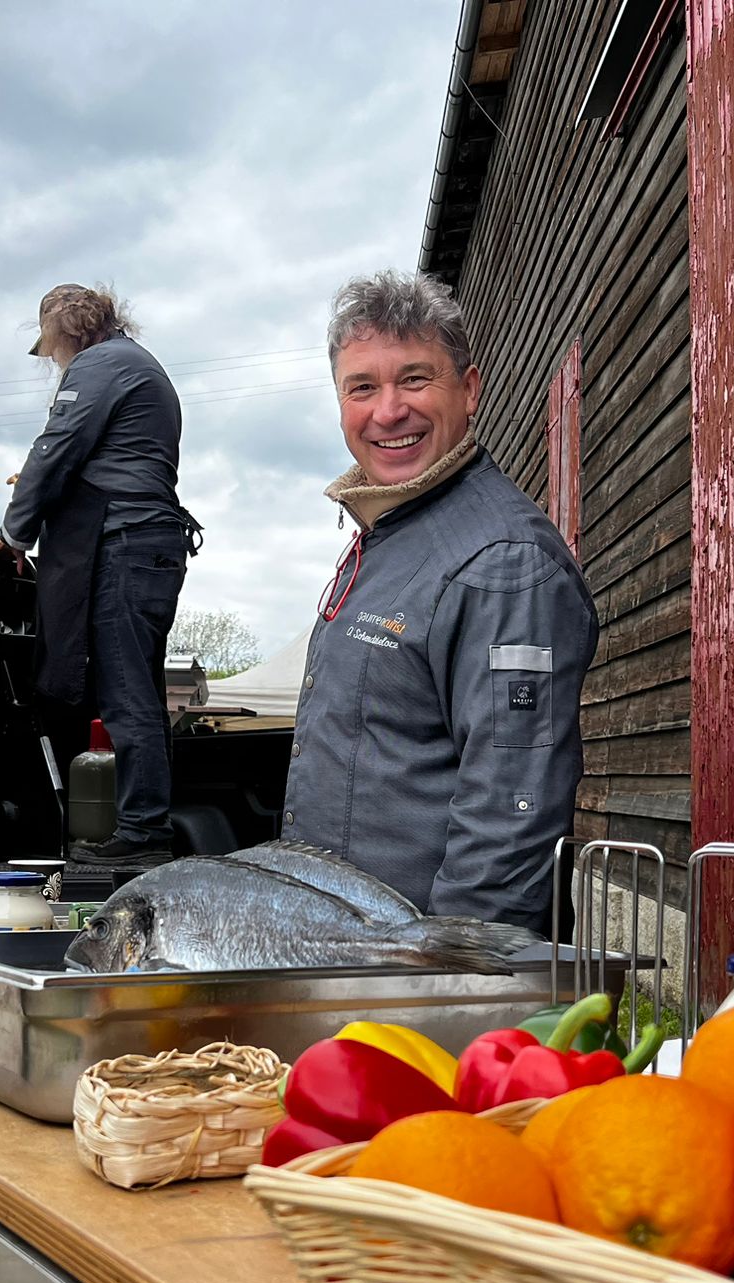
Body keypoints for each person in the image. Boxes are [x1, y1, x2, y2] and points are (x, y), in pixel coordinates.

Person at [283, 270, 599, 935]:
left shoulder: (504, 564)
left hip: (422, 983)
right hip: (351, 957)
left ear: (470, 389)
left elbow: (512, 820)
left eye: (415, 379)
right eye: (362, 387)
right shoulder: (392, 534)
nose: (388, 410)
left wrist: (447, 995)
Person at [0, 283, 200, 869]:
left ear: (64, 333)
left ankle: (141, 832)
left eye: (50, 347)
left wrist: (13, 535)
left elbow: (55, 447)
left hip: (125, 543)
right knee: (139, 688)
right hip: (151, 542)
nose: (52, 360)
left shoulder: (100, 363)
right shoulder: (137, 363)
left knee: (125, 689)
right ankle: (144, 823)